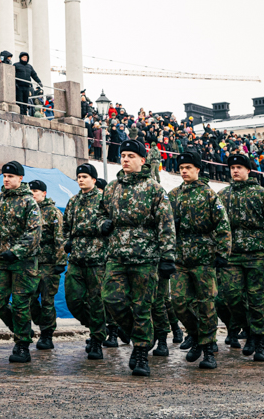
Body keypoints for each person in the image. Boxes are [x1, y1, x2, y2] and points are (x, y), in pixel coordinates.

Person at [98, 139, 175, 377]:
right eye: (123, 155)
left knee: (142, 308)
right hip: (117, 255)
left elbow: (166, 223)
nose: (125, 159)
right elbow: (100, 213)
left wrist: (167, 256)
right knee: (110, 298)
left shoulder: (154, 189)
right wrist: (103, 223)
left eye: (131, 155)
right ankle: (138, 335)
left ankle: (141, 353)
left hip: (145, 258)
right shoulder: (112, 187)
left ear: (143, 160)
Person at [217, 153, 264, 354]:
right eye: (232, 168)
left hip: (257, 255)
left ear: (248, 170)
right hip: (232, 256)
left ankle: (259, 341)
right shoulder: (223, 195)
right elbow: (217, 226)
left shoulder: (262, 194)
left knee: (255, 299)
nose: (235, 171)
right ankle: (247, 329)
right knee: (232, 297)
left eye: (239, 167)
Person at [168, 151, 232, 368]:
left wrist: (222, 253)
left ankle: (208, 350)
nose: (184, 171)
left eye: (188, 167)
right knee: (179, 302)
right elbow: (166, 226)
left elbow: (223, 225)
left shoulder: (210, 195)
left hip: (204, 257)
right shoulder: (173, 195)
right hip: (180, 258)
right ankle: (195, 335)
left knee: (206, 305)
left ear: (197, 169)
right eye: (181, 168)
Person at [0, 161, 42, 364]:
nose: (6, 179)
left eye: (11, 176)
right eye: (4, 176)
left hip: (23, 262)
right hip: (0, 259)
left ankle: (22, 344)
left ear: (20, 178)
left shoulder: (29, 202)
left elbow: (34, 232)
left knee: (20, 305)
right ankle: (21, 330)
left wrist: (16, 251)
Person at [61, 163, 108, 359]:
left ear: (94, 180)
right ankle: (99, 327)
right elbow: (65, 227)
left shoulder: (103, 200)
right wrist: (67, 242)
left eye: (85, 176)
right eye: (79, 176)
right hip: (77, 259)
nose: (81, 179)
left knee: (96, 301)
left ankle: (97, 340)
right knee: (74, 299)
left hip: (97, 260)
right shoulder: (73, 202)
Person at [28, 179, 65, 351]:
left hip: (48, 264)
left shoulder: (53, 212)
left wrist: (60, 261)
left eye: (36, 191)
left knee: (47, 301)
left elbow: (59, 238)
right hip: (30, 264)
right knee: (29, 300)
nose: (33, 193)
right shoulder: (28, 211)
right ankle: (42, 324)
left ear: (44, 193)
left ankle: (47, 335)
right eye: (31, 191)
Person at [14, 52, 42, 116]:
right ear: (20, 58)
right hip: (19, 86)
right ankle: (20, 113)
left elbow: (34, 75)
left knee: (25, 100)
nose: (25, 58)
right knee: (19, 100)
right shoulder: (16, 65)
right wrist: (15, 83)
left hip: (26, 86)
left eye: (26, 57)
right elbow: (13, 74)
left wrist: (39, 81)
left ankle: (24, 113)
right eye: (23, 57)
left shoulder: (29, 66)